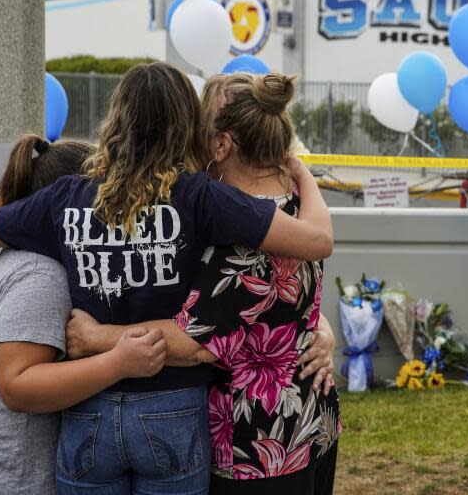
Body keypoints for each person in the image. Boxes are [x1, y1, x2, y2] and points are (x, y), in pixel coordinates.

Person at [0, 62, 334, 495]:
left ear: (115, 118)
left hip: (89, 404)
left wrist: (23, 185)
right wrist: (300, 170)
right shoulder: (199, 195)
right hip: (172, 406)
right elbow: (314, 241)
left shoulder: (67, 196)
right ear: (186, 126)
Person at [64, 73, 340, 495]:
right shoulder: (297, 207)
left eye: (197, 131)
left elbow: (196, 344)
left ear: (221, 145)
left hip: (257, 449)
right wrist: (322, 328)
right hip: (307, 425)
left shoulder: (245, 243)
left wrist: (96, 337)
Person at [0, 135, 168, 495]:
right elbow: (17, 386)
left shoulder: (27, 255)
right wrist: (120, 362)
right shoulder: (41, 275)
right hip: (2, 480)